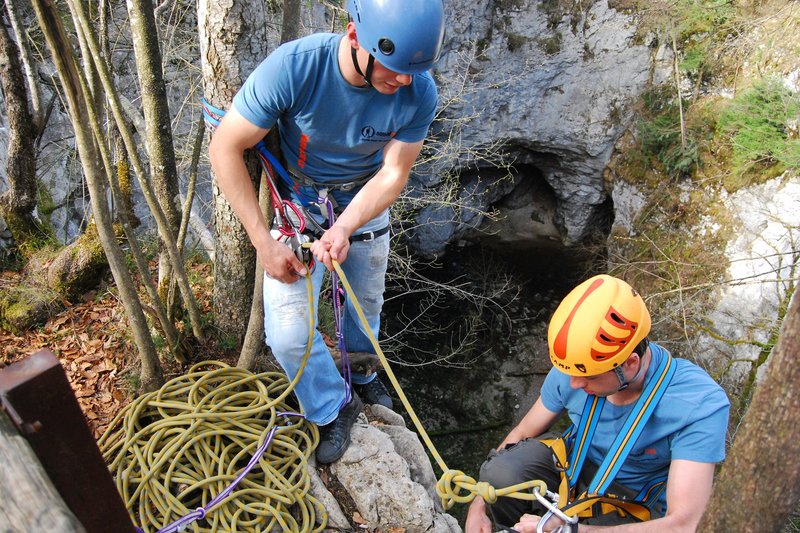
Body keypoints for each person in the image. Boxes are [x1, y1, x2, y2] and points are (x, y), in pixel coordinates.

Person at [208, 0, 445, 464]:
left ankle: (361, 371)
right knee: (290, 335)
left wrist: (347, 224)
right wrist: (262, 242)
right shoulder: (296, 69)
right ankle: (329, 408)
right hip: (297, 207)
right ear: (356, 37)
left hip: (364, 205)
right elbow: (225, 148)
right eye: (394, 69)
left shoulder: (419, 90)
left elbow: (394, 173)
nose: (402, 81)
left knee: (367, 306)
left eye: (410, 73)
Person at [465, 274, 730, 532]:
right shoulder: (576, 367)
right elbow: (521, 433)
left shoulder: (698, 405)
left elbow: (684, 524)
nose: (573, 384)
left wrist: (572, 531)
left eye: (587, 377)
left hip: (632, 503)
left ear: (629, 364)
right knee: (501, 472)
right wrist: (479, 504)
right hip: (574, 467)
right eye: (571, 373)